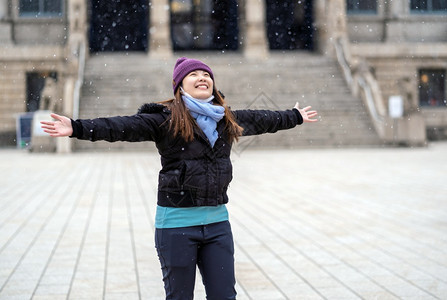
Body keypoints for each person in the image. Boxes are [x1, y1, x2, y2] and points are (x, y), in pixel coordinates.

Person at [41, 57, 318, 300]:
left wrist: (294, 116)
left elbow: (264, 120)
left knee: (225, 295)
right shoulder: (165, 119)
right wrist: (77, 127)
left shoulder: (227, 119)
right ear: (180, 86)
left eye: (207, 74)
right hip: (176, 227)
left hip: (218, 225)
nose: (202, 78)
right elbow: (121, 126)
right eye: (194, 75)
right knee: (179, 297)